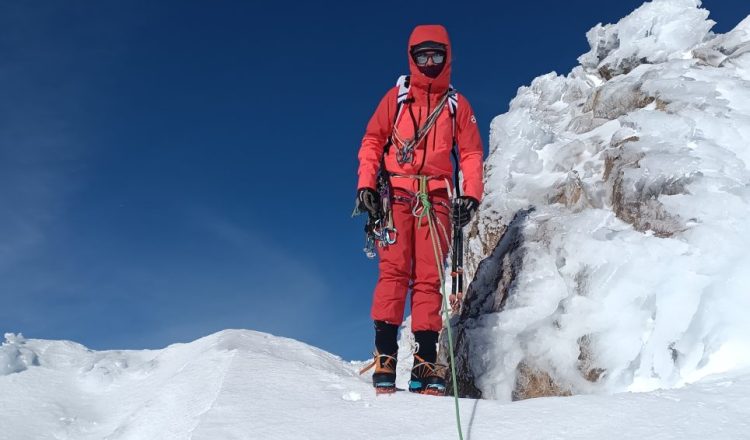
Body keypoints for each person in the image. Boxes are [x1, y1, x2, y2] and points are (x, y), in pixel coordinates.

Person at [356, 24, 484, 395]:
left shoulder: (457, 105)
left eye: (437, 55)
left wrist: (471, 195)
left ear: (447, 57)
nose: (429, 63)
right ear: (412, 57)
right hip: (395, 196)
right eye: (422, 55)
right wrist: (366, 182)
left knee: (430, 279)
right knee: (393, 273)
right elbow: (372, 140)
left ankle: (425, 362)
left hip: (437, 199)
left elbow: (472, 153)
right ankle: (386, 357)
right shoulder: (396, 98)